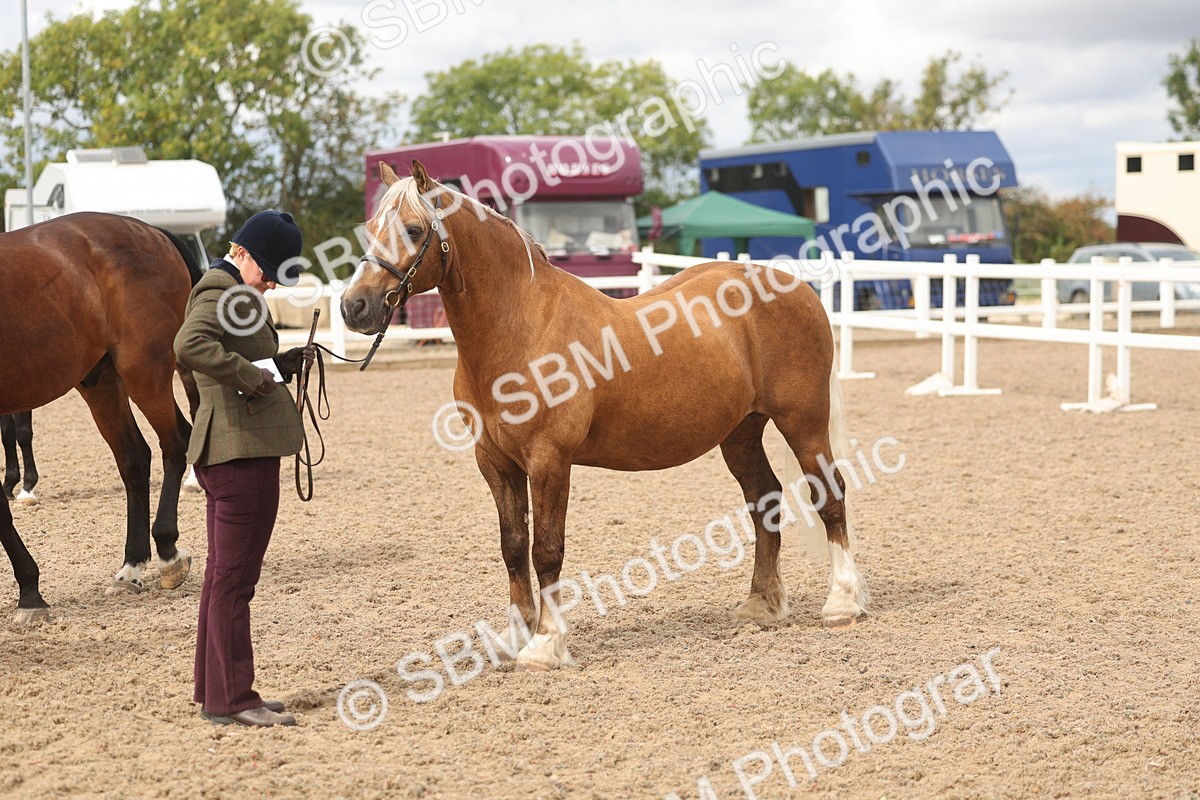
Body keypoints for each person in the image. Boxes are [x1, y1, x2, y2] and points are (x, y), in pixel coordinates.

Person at [174, 210, 313, 728]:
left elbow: (231, 352)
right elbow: (189, 346)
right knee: (235, 581)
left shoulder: (232, 291)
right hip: (240, 453)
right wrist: (254, 377)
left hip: (233, 448)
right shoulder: (221, 291)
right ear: (245, 253)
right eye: (270, 269)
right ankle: (233, 699)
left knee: (221, 578)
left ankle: (215, 689)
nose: (273, 281)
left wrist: (279, 365)